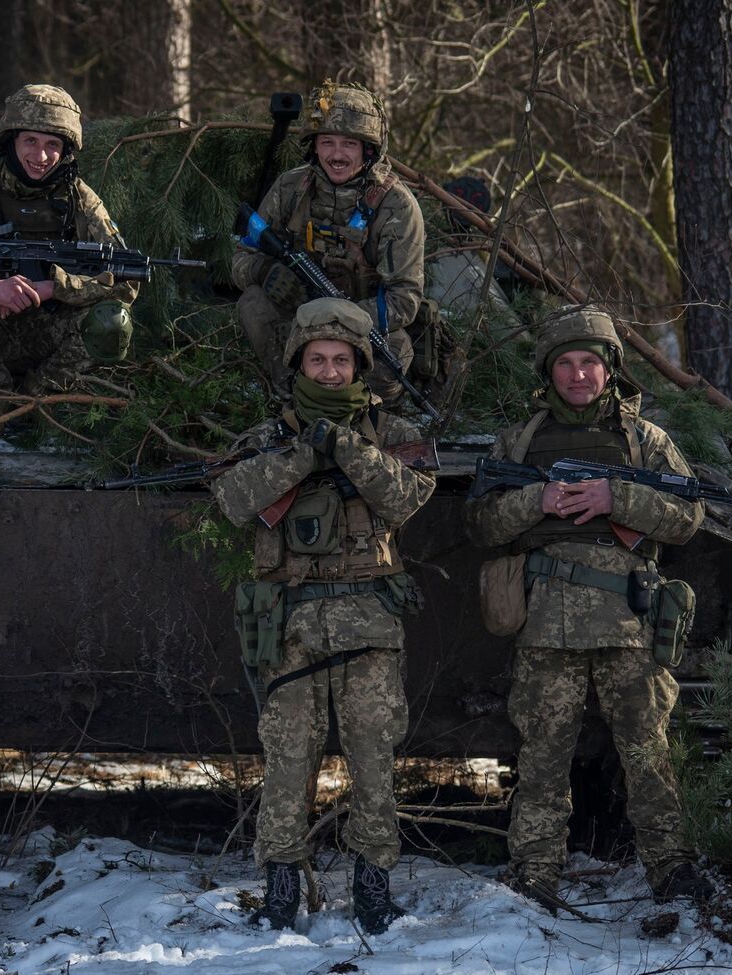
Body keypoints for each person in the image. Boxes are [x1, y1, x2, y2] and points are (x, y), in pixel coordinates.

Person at [465, 305, 715, 911]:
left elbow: (688, 517)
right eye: (566, 364)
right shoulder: (519, 441)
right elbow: (480, 523)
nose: (578, 375)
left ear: (610, 370)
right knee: (543, 757)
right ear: (548, 371)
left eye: (590, 363)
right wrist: (538, 501)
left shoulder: (646, 441)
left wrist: (615, 497)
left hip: (631, 624)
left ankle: (671, 865)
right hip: (546, 625)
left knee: (648, 753)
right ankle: (534, 871)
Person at [210, 297, 435, 934]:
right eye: (318, 360)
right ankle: (281, 890)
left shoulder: (392, 433)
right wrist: (302, 456)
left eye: (341, 360)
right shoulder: (270, 437)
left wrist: (346, 448)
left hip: (369, 623)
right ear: (298, 364)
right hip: (290, 624)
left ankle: (373, 889)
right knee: (287, 758)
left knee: (374, 757)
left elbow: (410, 496)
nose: (330, 372)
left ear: (359, 365)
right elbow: (232, 499)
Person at [0, 84, 138, 424]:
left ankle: (41, 399)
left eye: (52, 145)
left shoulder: (80, 199)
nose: (41, 156)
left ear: (66, 149)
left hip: (52, 333)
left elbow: (125, 281)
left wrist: (55, 287)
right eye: (31, 141)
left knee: (113, 321)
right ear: (12, 140)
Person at [231, 81, 425, 404]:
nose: (336, 155)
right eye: (327, 142)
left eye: (349, 144)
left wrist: (336, 320)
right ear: (314, 146)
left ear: (368, 149)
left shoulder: (397, 206)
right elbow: (240, 258)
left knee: (393, 358)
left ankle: (357, 407)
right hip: (299, 321)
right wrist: (264, 271)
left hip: (362, 328)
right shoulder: (291, 188)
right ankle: (291, 396)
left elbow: (404, 301)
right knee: (253, 301)